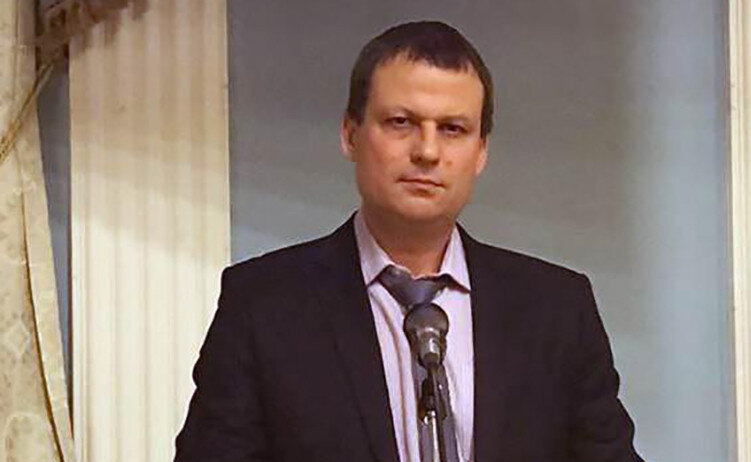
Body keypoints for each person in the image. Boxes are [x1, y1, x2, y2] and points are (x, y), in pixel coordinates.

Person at [174, 21, 643, 462]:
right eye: (401, 122)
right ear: (350, 134)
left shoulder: (557, 310)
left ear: (481, 151)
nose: (427, 151)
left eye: (453, 129)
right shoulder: (262, 306)